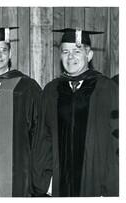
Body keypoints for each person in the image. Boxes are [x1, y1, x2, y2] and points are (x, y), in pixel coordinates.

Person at [0, 27, 50, 197]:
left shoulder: (28, 88)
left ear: (10, 53)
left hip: (21, 175)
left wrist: (41, 176)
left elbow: (41, 135)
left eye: (3, 50)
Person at [39, 28, 119, 197]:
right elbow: (43, 137)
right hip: (59, 182)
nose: (70, 57)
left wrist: (111, 185)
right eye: (65, 51)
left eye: (77, 51)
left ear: (89, 55)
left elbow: (116, 142)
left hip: (96, 181)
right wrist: (46, 180)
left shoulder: (107, 89)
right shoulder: (52, 90)